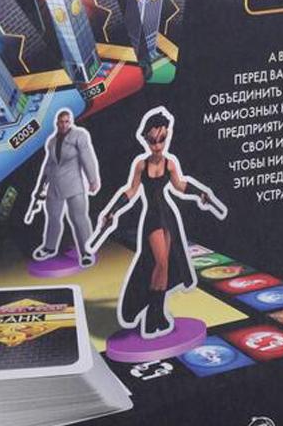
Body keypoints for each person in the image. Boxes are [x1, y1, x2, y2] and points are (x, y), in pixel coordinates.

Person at [92, 107, 226, 337]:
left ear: (167, 136)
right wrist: (112, 210)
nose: (157, 145)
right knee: (161, 262)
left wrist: (200, 193)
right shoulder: (141, 165)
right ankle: (153, 316)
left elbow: (180, 185)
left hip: (167, 216)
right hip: (152, 218)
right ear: (146, 139)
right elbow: (131, 191)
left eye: (162, 139)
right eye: (153, 140)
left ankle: (157, 315)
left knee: (165, 264)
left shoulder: (169, 163)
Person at [28, 109, 100, 266]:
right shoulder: (52, 141)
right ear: (57, 123)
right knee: (53, 218)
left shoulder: (79, 136)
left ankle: (86, 252)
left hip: (74, 184)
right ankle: (49, 247)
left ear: (71, 122)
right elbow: (48, 165)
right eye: (61, 122)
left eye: (67, 121)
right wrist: (40, 186)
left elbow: (87, 158)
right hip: (54, 185)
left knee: (79, 218)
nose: (64, 124)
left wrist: (93, 180)